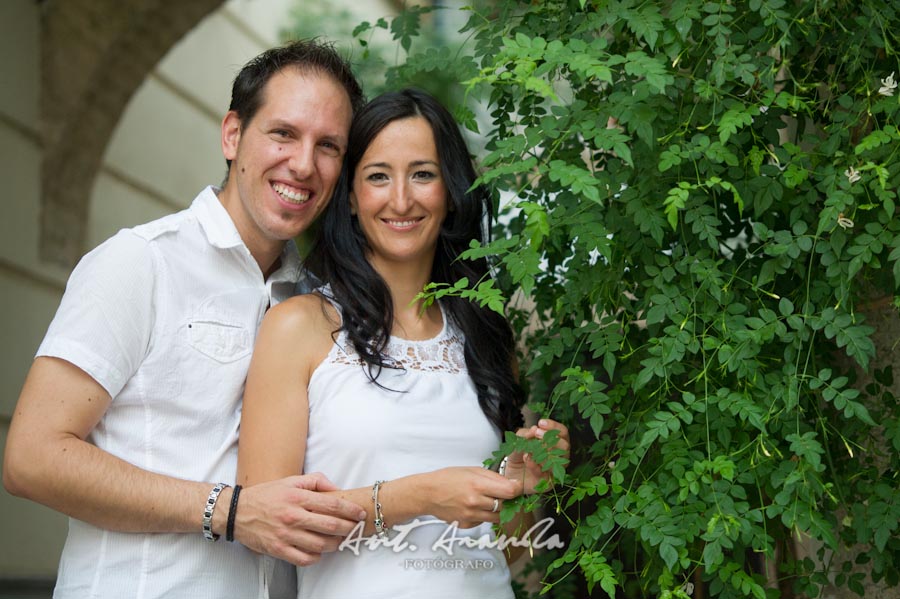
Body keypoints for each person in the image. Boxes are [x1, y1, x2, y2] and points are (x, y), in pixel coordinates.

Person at [2, 40, 369, 598]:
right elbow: (32, 458)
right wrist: (229, 510)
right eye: (283, 133)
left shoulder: (317, 303)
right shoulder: (141, 261)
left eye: (328, 146)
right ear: (232, 135)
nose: (303, 163)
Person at [237, 88, 570, 598]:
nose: (401, 199)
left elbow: (511, 546)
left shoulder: (486, 336)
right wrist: (419, 496)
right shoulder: (297, 327)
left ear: (450, 190)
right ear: (349, 195)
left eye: (423, 174)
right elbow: (266, 529)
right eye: (377, 176)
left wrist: (521, 485)